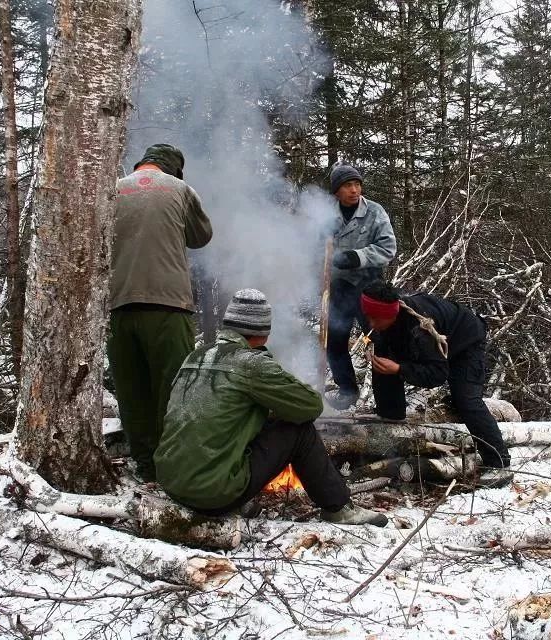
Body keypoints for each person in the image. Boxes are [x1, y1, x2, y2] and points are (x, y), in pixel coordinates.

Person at [155, 289, 388, 526]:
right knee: (299, 430)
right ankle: (338, 507)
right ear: (264, 332)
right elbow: (309, 406)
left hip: (172, 485)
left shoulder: (195, 356)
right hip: (213, 495)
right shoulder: (251, 363)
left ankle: (233, 493)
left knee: (242, 418)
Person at [108, 144, 213, 482]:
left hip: (119, 307)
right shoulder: (181, 189)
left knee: (131, 390)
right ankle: (176, 466)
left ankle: (146, 466)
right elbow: (201, 237)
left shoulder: (113, 189)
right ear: (174, 169)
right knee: (174, 388)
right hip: (168, 306)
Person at [358, 281, 512, 486]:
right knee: (383, 358)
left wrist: (399, 369)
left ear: (391, 314)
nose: (370, 323)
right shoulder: (382, 317)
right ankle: (390, 414)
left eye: (374, 319)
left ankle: (499, 462)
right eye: (367, 317)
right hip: (429, 343)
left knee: (465, 400)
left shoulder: (420, 330)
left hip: (465, 342)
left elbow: (438, 375)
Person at [324, 163, 397, 410]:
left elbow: (388, 248)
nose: (354, 190)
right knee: (334, 340)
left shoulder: (375, 212)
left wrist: (356, 257)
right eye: (347, 185)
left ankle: (388, 400)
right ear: (336, 191)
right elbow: (313, 248)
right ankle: (346, 391)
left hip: (370, 288)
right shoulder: (325, 215)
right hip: (337, 287)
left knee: (381, 341)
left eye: (357, 184)